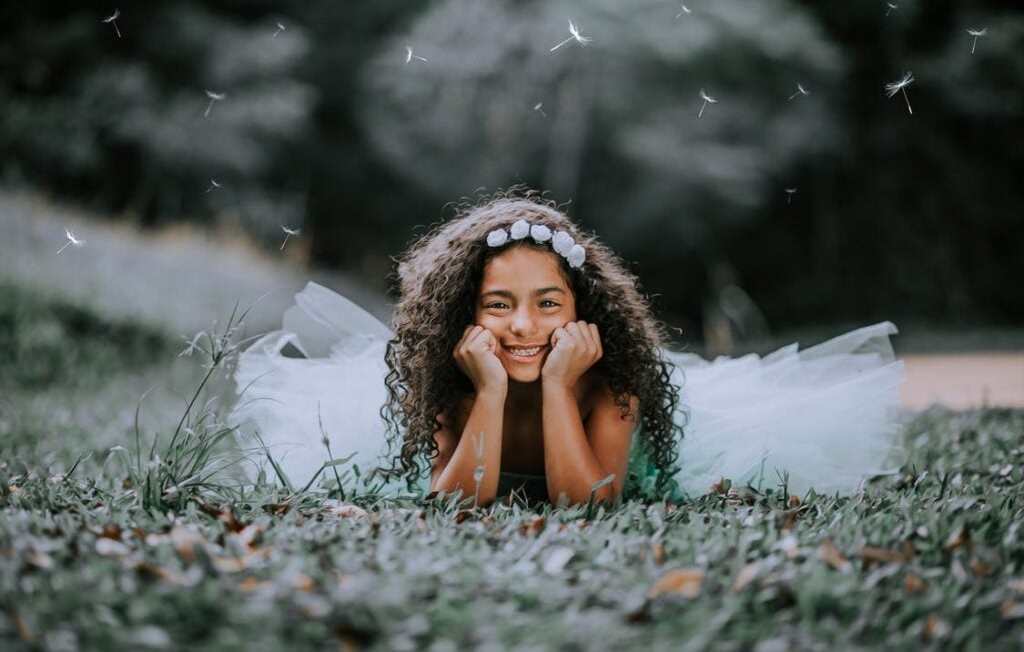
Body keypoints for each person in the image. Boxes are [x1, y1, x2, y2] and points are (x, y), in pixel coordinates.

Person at [230, 186, 906, 506]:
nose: (524, 325)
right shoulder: (453, 378)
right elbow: (457, 502)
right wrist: (490, 391)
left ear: (584, 308)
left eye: (547, 303)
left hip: (648, 433)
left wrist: (557, 386)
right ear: (466, 314)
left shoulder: (613, 381)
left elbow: (587, 504)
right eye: (499, 305)